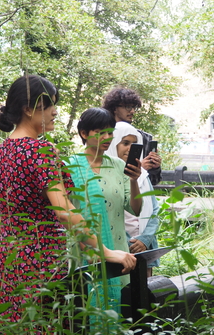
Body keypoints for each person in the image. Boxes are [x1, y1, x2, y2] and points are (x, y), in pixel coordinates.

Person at [0, 75, 136, 330]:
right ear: (28, 110)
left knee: (18, 323)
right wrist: (105, 252)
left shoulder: (4, 149)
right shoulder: (39, 150)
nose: (55, 112)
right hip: (43, 258)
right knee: (47, 324)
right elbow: (64, 211)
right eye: (50, 106)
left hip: (12, 256)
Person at [67, 107, 142, 319]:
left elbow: (135, 209)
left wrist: (134, 180)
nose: (107, 137)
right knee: (85, 317)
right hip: (84, 254)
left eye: (110, 132)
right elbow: (64, 214)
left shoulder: (119, 166)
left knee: (117, 315)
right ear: (84, 133)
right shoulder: (70, 167)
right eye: (101, 132)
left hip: (119, 254)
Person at [106, 122, 160, 277]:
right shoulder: (107, 176)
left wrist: (145, 239)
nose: (130, 148)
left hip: (145, 248)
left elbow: (154, 209)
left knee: (145, 292)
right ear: (113, 144)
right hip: (120, 247)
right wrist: (129, 242)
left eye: (134, 144)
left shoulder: (142, 174)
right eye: (125, 143)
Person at [102, 87, 162, 185]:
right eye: (128, 107)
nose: (132, 111)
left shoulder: (144, 138)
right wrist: (139, 169)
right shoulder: (102, 136)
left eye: (134, 107)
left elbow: (153, 181)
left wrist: (155, 168)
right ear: (114, 108)